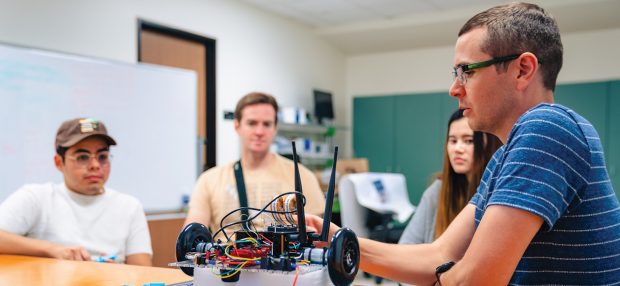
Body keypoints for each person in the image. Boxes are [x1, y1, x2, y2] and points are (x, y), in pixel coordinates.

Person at [305, 3, 620, 284]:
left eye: (466, 71)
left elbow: (474, 279)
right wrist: (338, 239)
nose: (454, 89)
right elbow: (439, 254)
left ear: (523, 69)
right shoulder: (504, 158)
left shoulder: (547, 127)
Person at [0, 118, 153, 266]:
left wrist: (118, 273)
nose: (95, 165)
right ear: (59, 162)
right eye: (82, 157)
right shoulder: (37, 197)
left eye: (102, 157)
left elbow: (143, 271)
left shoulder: (129, 206)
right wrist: (52, 249)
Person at [185, 92, 325, 241]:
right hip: (224, 261)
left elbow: (317, 239)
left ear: (275, 128)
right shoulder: (209, 180)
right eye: (252, 123)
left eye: (267, 124)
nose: (259, 132)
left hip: (283, 262)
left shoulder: (303, 177)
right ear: (237, 126)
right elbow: (188, 241)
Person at [398, 109, 501, 244]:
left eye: (468, 141)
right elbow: (407, 246)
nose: (458, 149)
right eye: (453, 141)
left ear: (489, 145)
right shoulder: (437, 191)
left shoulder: (498, 192)